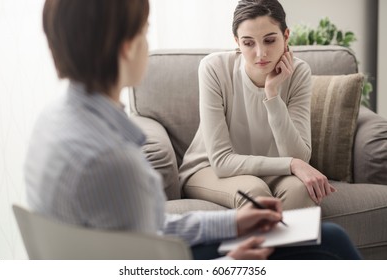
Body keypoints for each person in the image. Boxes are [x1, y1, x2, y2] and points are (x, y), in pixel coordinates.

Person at [25, 0, 362, 260]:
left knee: (328, 238)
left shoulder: (53, 123)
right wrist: (228, 265)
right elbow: (144, 263)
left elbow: (149, 230)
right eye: (144, 31)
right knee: (334, 243)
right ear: (127, 48)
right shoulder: (113, 161)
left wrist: (231, 224)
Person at [179, 0, 336, 210]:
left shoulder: (299, 72)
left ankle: (288, 244)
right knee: (255, 191)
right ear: (237, 41)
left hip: (271, 171)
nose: (261, 53)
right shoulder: (214, 68)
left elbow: (299, 156)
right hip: (209, 170)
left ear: (286, 35)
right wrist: (290, 164)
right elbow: (222, 161)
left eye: (270, 40)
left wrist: (272, 94)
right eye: (248, 43)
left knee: (301, 191)